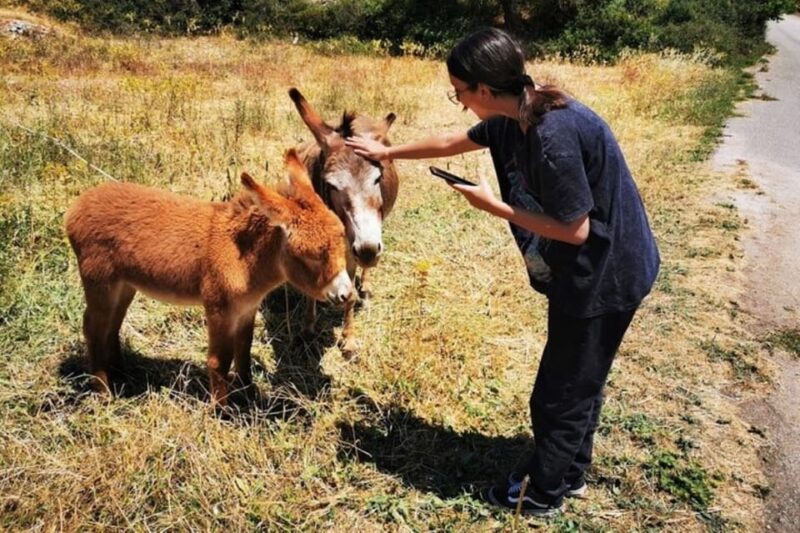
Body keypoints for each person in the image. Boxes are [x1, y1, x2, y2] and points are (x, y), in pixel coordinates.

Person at [345, 27, 660, 517]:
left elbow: (575, 230)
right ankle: (570, 471)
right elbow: (452, 141)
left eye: (460, 92)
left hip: (605, 272)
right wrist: (388, 153)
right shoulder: (514, 114)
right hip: (588, 269)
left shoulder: (552, 136)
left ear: (486, 90)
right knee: (579, 377)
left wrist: (497, 207)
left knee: (559, 393)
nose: (461, 102)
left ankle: (543, 492)